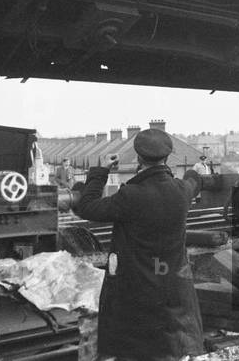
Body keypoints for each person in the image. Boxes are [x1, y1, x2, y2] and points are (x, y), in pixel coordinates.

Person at [76, 129, 204, 361]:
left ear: (138, 158)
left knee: (137, 351)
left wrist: (101, 171)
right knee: (170, 349)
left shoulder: (130, 196)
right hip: (173, 288)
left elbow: (87, 206)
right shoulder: (181, 191)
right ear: (168, 158)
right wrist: (197, 173)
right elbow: (192, 182)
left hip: (137, 292)